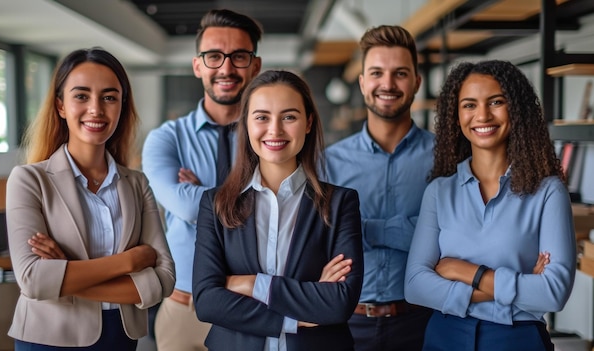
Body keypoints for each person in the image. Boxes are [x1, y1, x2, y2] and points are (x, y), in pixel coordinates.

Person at [5, 47, 176, 351]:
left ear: (122, 106)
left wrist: (66, 274)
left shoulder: (136, 183)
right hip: (48, 339)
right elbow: (33, 280)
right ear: (60, 105)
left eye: (109, 97)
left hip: (121, 338)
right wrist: (128, 261)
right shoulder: (29, 180)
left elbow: (162, 281)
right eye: (81, 96)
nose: (96, 109)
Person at [404, 60, 576, 350]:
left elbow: (553, 292)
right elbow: (415, 286)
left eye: (496, 102)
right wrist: (514, 286)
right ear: (456, 116)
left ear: (516, 110)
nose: (482, 115)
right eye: (469, 105)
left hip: (518, 338)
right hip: (445, 337)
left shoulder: (548, 192)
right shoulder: (439, 192)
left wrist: (466, 271)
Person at [192, 69, 363, 351]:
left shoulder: (340, 202)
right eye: (262, 117)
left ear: (308, 123)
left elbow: (338, 303)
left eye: (289, 117)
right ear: (245, 124)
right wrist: (294, 318)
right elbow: (208, 302)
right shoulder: (216, 204)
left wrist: (251, 285)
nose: (275, 130)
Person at [141, 8, 263, 351]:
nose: (226, 68)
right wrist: (251, 195)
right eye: (213, 57)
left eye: (239, 56)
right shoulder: (166, 139)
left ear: (255, 65)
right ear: (198, 65)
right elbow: (186, 206)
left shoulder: (273, 135)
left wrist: (204, 194)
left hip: (255, 306)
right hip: (185, 311)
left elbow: (290, 209)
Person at [324, 25, 434, 351]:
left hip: (424, 322)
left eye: (400, 73)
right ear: (362, 83)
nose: (387, 84)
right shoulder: (329, 163)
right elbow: (322, 239)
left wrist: (361, 229)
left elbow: (450, 239)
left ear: (416, 82)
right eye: (376, 73)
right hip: (345, 323)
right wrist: (414, 232)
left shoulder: (447, 159)